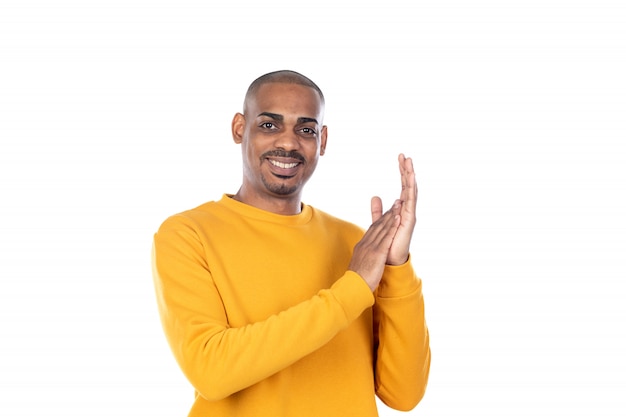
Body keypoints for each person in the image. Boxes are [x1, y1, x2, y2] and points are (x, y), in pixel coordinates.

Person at [151, 70, 431, 417]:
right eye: (269, 125)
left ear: (323, 140)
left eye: (306, 129)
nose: (288, 143)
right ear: (240, 127)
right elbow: (212, 371)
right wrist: (352, 288)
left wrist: (396, 267)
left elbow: (404, 394)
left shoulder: (358, 245)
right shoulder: (188, 234)